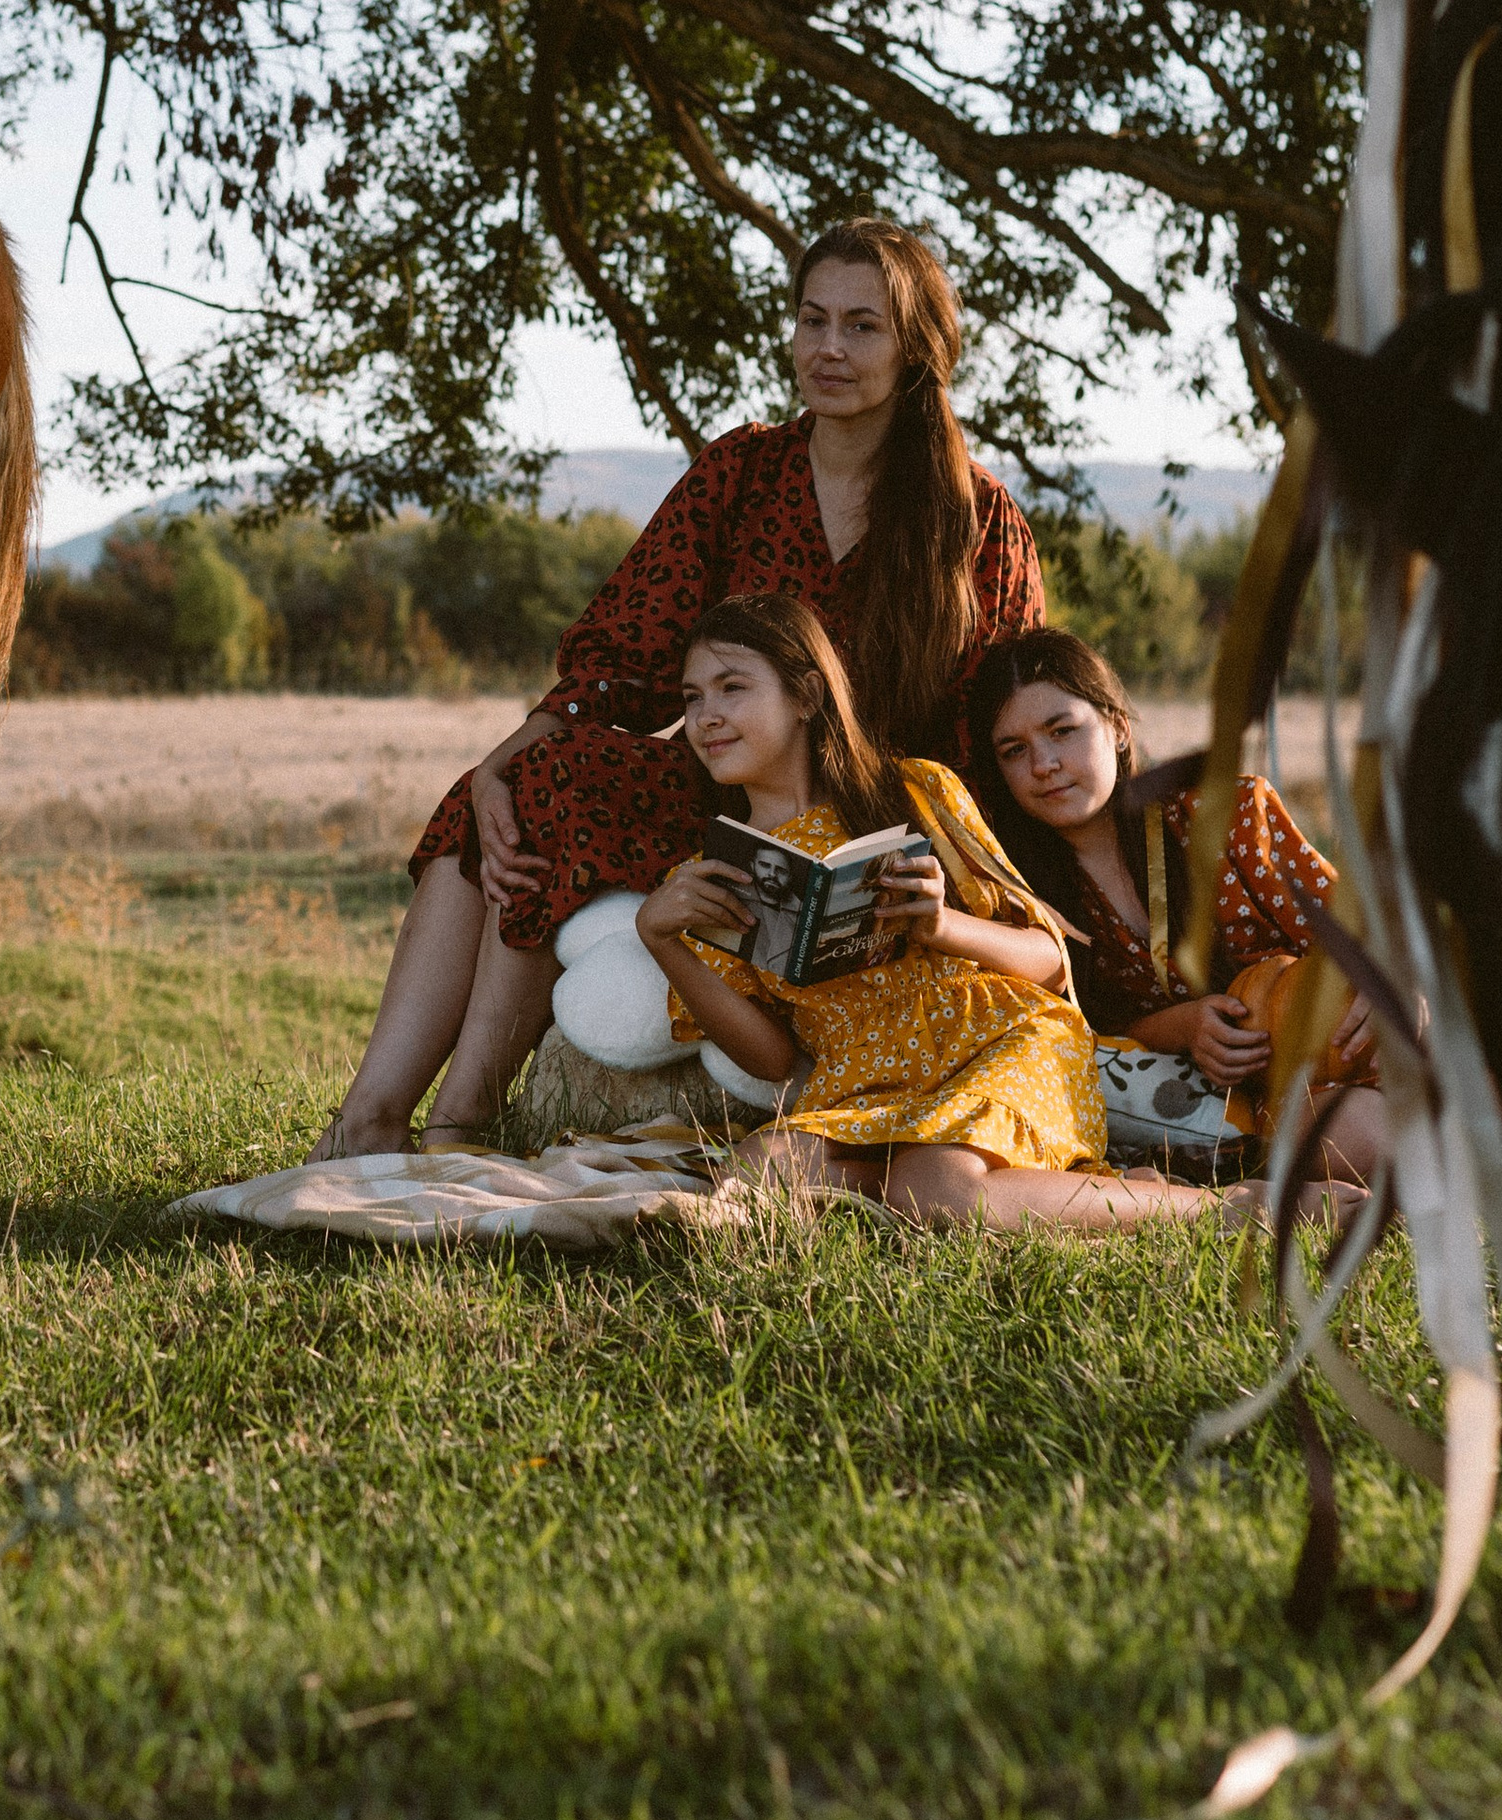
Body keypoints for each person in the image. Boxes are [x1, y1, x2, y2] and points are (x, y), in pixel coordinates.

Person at [312, 217, 1046, 1156]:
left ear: (915, 350)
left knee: (537, 785)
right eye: (811, 319)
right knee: (523, 788)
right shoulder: (742, 471)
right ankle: (392, 1118)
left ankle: (456, 1123)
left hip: (875, 838)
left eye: (862, 327)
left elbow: (1006, 719)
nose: (828, 347)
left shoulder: (975, 515)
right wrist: (497, 766)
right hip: (724, 807)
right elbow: (624, 655)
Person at [636, 595, 1221, 1231]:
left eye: (731, 688)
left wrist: (944, 926)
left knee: (938, 1186)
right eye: (693, 698)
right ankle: (1038, 1194)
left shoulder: (916, 791)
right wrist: (662, 940)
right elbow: (773, 1061)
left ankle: (1229, 1209)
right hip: (864, 1082)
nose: (706, 717)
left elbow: (1052, 962)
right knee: (754, 1173)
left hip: (999, 1040)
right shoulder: (711, 876)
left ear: (806, 696)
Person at [968, 628, 1386, 1190]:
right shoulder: (1016, 889)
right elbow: (1090, 1027)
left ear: (1116, 728)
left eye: (1062, 731)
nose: (1044, 763)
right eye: (1014, 750)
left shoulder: (1230, 814)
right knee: (1342, 1136)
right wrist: (1185, 1026)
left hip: (1348, 1050)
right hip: (1243, 1112)